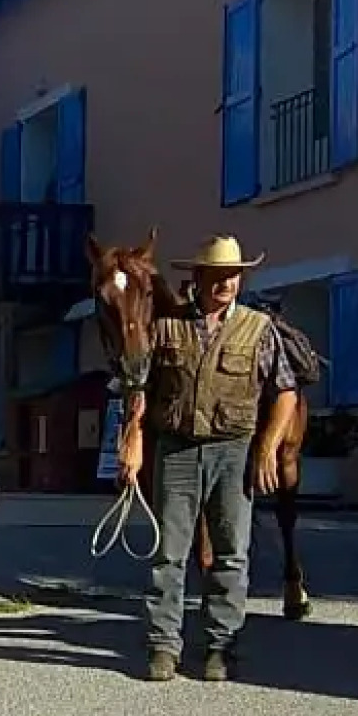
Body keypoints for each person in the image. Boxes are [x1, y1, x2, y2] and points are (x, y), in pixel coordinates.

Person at [114, 234, 298, 683]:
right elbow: (138, 387)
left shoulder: (259, 328)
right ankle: (163, 646)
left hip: (234, 451)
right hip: (177, 448)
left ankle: (220, 645)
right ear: (195, 279)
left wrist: (268, 448)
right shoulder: (166, 326)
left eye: (232, 276)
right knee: (168, 554)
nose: (225, 284)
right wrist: (133, 444)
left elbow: (285, 393)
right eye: (216, 276)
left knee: (232, 553)